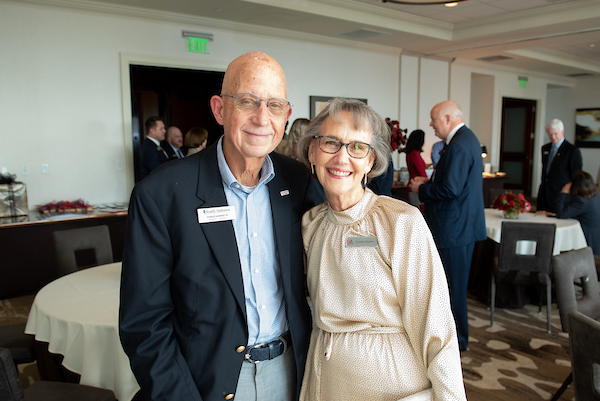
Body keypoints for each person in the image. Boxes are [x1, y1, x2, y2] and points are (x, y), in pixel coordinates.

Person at [120, 51, 321, 401]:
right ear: (219, 109)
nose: (262, 118)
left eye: (274, 105)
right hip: (207, 382)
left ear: (286, 116)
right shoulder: (161, 194)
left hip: (292, 372)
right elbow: (144, 324)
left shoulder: (298, 181)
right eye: (248, 101)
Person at [296, 97, 466, 400]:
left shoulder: (401, 222)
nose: (342, 157)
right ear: (311, 149)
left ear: (371, 161)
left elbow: (437, 327)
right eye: (330, 142)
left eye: (357, 147)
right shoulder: (310, 224)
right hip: (326, 383)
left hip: (392, 388)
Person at [408, 100, 486, 352]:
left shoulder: (459, 145)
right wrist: (428, 181)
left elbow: (450, 189)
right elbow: (454, 182)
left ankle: (457, 341)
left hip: (454, 229)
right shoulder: (465, 140)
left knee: (452, 288)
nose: (430, 124)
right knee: (451, 286)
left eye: (433, 118)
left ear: (448, 118)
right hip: (458, 226)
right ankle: (452, 338)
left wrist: (422, 188)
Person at [537, 118, 582, 213]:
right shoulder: (545, 148)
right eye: (550, 134)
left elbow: (577, 175)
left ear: (562, 131)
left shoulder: (572, 150)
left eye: (555, 134)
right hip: (545, 193)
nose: (553, 137)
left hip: (561, 194)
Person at [556, 170, 600, 255]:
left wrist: (563, 193)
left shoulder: (581, 201)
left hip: (586, 241)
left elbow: (561, 214)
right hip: (596, 239)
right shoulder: (597, 196)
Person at [405, 129, 427, 208]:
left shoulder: (410, 154)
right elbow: (422, 173)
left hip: (411, 185)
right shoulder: (415, 154)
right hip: (416, 186)